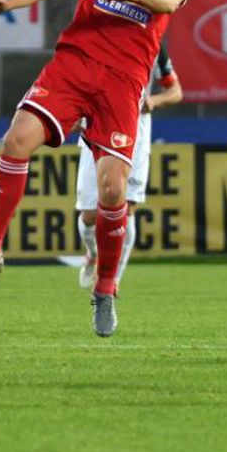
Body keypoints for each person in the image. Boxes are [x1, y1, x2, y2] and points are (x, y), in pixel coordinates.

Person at [0, 0, 192, 337]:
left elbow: (170, 0)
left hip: (123, 84)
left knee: (111, 193)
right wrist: (8, 2)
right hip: (74, 66)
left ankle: (105, 290)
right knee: (16, 140)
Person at [76, 40, 183, 291]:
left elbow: (175, 91)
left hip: (136, 133)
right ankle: (92, 254)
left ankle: (112, 281)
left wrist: (154, 102)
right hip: (98, 128)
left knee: (127, 209)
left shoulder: (154, 45)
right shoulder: (97, 37)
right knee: (90, 216)